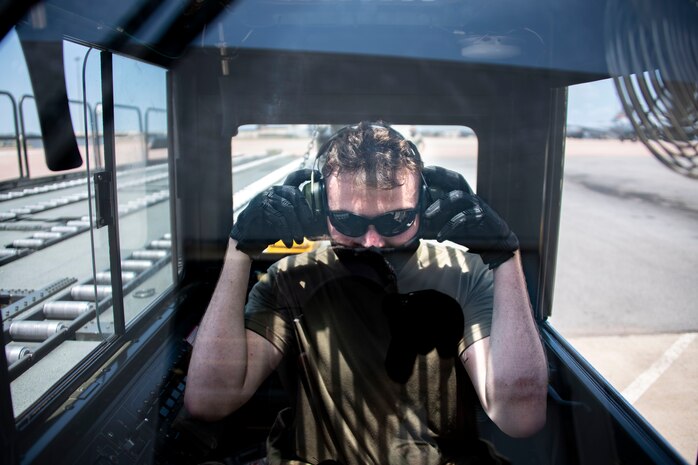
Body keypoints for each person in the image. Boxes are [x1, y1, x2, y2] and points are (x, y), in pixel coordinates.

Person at [184, 122, 548, 465]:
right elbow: (208, 401)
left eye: (395, 221)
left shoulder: (467, 275)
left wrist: (505, 257)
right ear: (318, 208)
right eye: (349, 221)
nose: (371, 241)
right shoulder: (291, 279)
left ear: (424, 205)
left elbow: (520, 417)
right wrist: (238, 250)